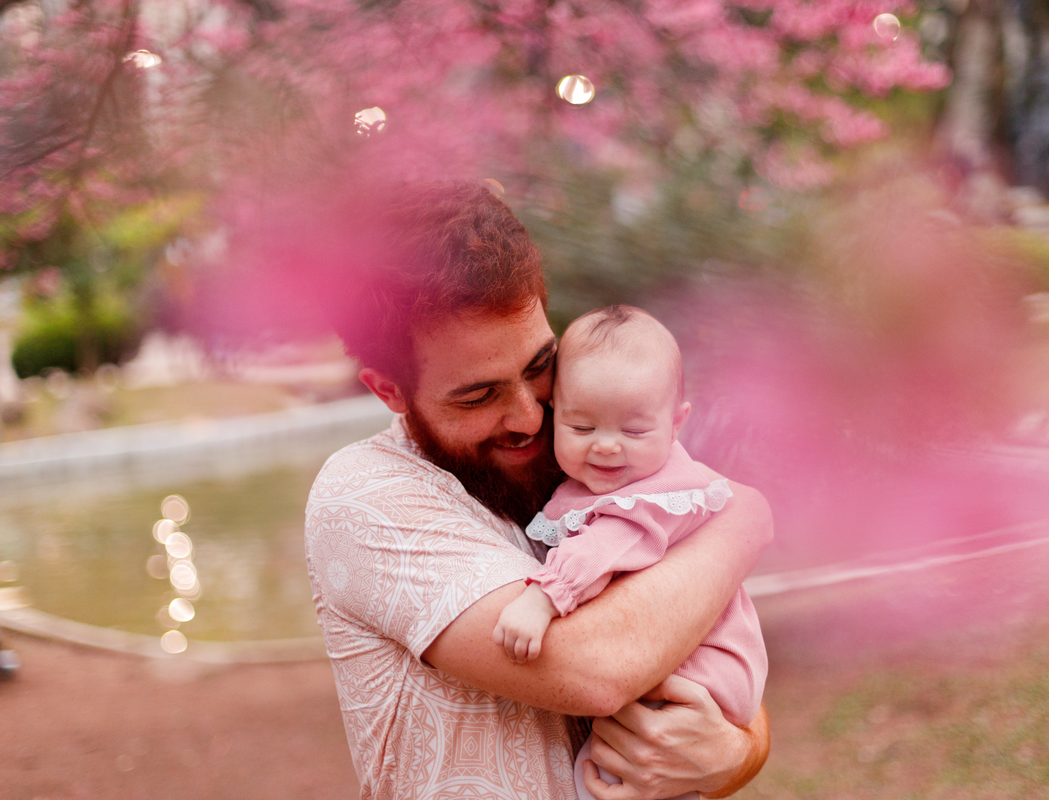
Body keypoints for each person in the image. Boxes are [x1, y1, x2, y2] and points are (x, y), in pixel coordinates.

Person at [304, 181, 773, 800]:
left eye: (538, 367)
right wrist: (745, 518)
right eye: (478, 395)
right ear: (388, 390)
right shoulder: (363, 496)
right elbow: (597, 668)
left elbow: (702, 632)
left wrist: (740, 750)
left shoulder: (584, 450)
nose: (529, 417)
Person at [492, 305, 768, 800]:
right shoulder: (603, 481)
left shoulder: (656, 496)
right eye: (581, 428)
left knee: (628, 769)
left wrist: (544, 598)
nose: (607, 447)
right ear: (554, 411)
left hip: (701, 671)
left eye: (634, 431)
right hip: (682, 664)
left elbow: (610, 547)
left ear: (677, 422)